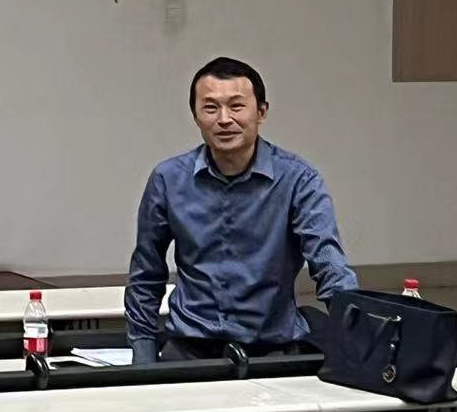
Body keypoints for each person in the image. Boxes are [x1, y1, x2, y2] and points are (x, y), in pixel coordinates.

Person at [126, 57, 357, 363]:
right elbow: (146, 274)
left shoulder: (298, 180)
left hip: (273, 349)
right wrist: (143, 362)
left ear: (261, 112)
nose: (224, 119)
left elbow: (329, 265)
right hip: (189, 348)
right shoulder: (168, 179)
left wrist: (361, 341)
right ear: (195, 115)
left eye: (236, 106)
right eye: (211, 108)